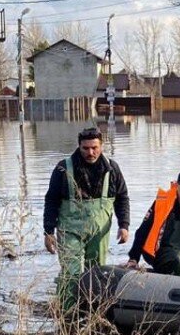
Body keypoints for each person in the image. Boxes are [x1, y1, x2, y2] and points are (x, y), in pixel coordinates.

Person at [43, 127, 129, 303]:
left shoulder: (112, 169)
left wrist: (124, 225)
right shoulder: (63, 168)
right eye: (86, 148)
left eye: (94, 147)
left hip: (100, 231)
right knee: (71, 273)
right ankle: (67, 314)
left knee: (96, 274)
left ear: (101, 146)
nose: (90, 152)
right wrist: (48, 231)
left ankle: (93, 312)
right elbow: (51, 200)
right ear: (79, 146)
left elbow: (122, 198)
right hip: (70, 230)